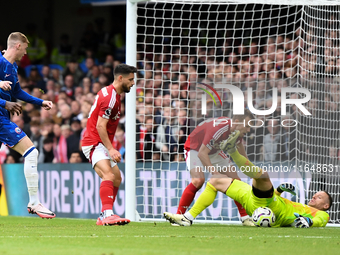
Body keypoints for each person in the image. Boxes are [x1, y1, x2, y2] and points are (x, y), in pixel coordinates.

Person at [164, 130, 332, 228]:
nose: (313, 196)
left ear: (326, 205)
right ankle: (188, 218)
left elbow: (321, 220)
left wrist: (309, 221)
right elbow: (276, 198)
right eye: (315, 194)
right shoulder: (301, 206)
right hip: (257, 201)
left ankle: (233, 152)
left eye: (319, 197)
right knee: (215, 181)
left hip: (267, 207)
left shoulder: (318, 214)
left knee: (263, 175)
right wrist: (279, 190)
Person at [0, 32, 55, 218]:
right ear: (17, 46)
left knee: (32, 153)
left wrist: (41, 102)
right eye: (25, 48)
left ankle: (34, 202)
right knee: (32, 152)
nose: (26, 52)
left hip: (3, 117)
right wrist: (4, 103)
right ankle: (33, 202)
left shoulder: (13, 67)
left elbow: (17, 92)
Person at [174, 110, 255, 226]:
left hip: (214, 151)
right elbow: (202, 153)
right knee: (198, 181)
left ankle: (245, 218)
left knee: (237, 181)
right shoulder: (220, 129)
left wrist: (251, 170)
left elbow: (243, 156)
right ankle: (179, 217)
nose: (248, 130)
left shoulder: (236, 132)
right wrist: (215, 173)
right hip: (194, 148)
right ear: (237, 122)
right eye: (247, 126)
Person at [81, 64, 137, 226]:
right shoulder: (110, 98)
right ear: (120, 78)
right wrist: (111, 149)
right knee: (109, 176)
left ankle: (104, 215)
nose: (133, 83)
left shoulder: (113, 94)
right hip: (94, 141)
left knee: (117, 178)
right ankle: (107, 214)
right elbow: (100, 126)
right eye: (130, 79)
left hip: (100, 142)